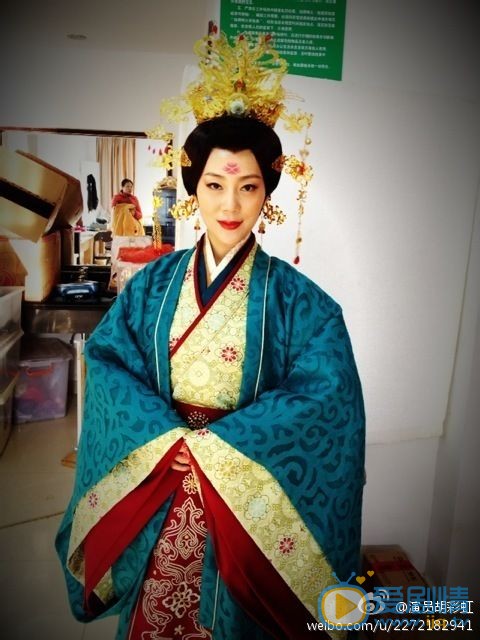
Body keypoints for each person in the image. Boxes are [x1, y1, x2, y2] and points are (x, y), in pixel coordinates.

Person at [56, 33, 365, 640]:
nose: (231, 204)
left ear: (267, 194)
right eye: (215, 186)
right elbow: (111, 364)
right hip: (165, 473)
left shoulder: (303, 303)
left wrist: (223, 448)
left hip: (241, 497)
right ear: (193, 188)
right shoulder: (152, 286)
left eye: (248, 186)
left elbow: (327, 398)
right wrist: (162, 440)